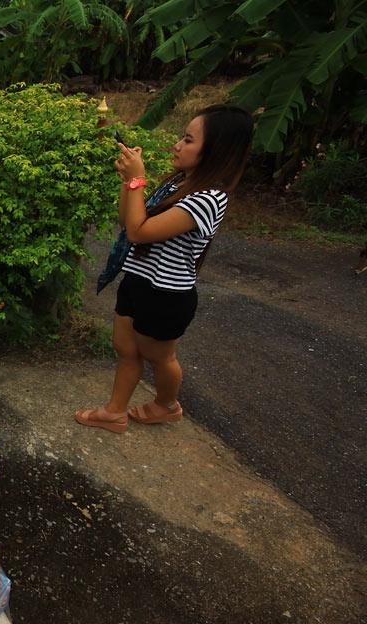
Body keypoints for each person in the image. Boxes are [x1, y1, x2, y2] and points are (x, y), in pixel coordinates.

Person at [76, 105, 253, 433]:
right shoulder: (179, 184)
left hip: (166, 293)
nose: (177, 145)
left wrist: (137, 180)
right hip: (139, 279)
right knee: (126, 348)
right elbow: (129, 220)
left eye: (187, 139)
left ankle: (167, 405)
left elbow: (139, 231)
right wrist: (129, 181)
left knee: (160, 357)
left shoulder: (209, 198)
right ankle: (115, 412)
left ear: (216, 150)